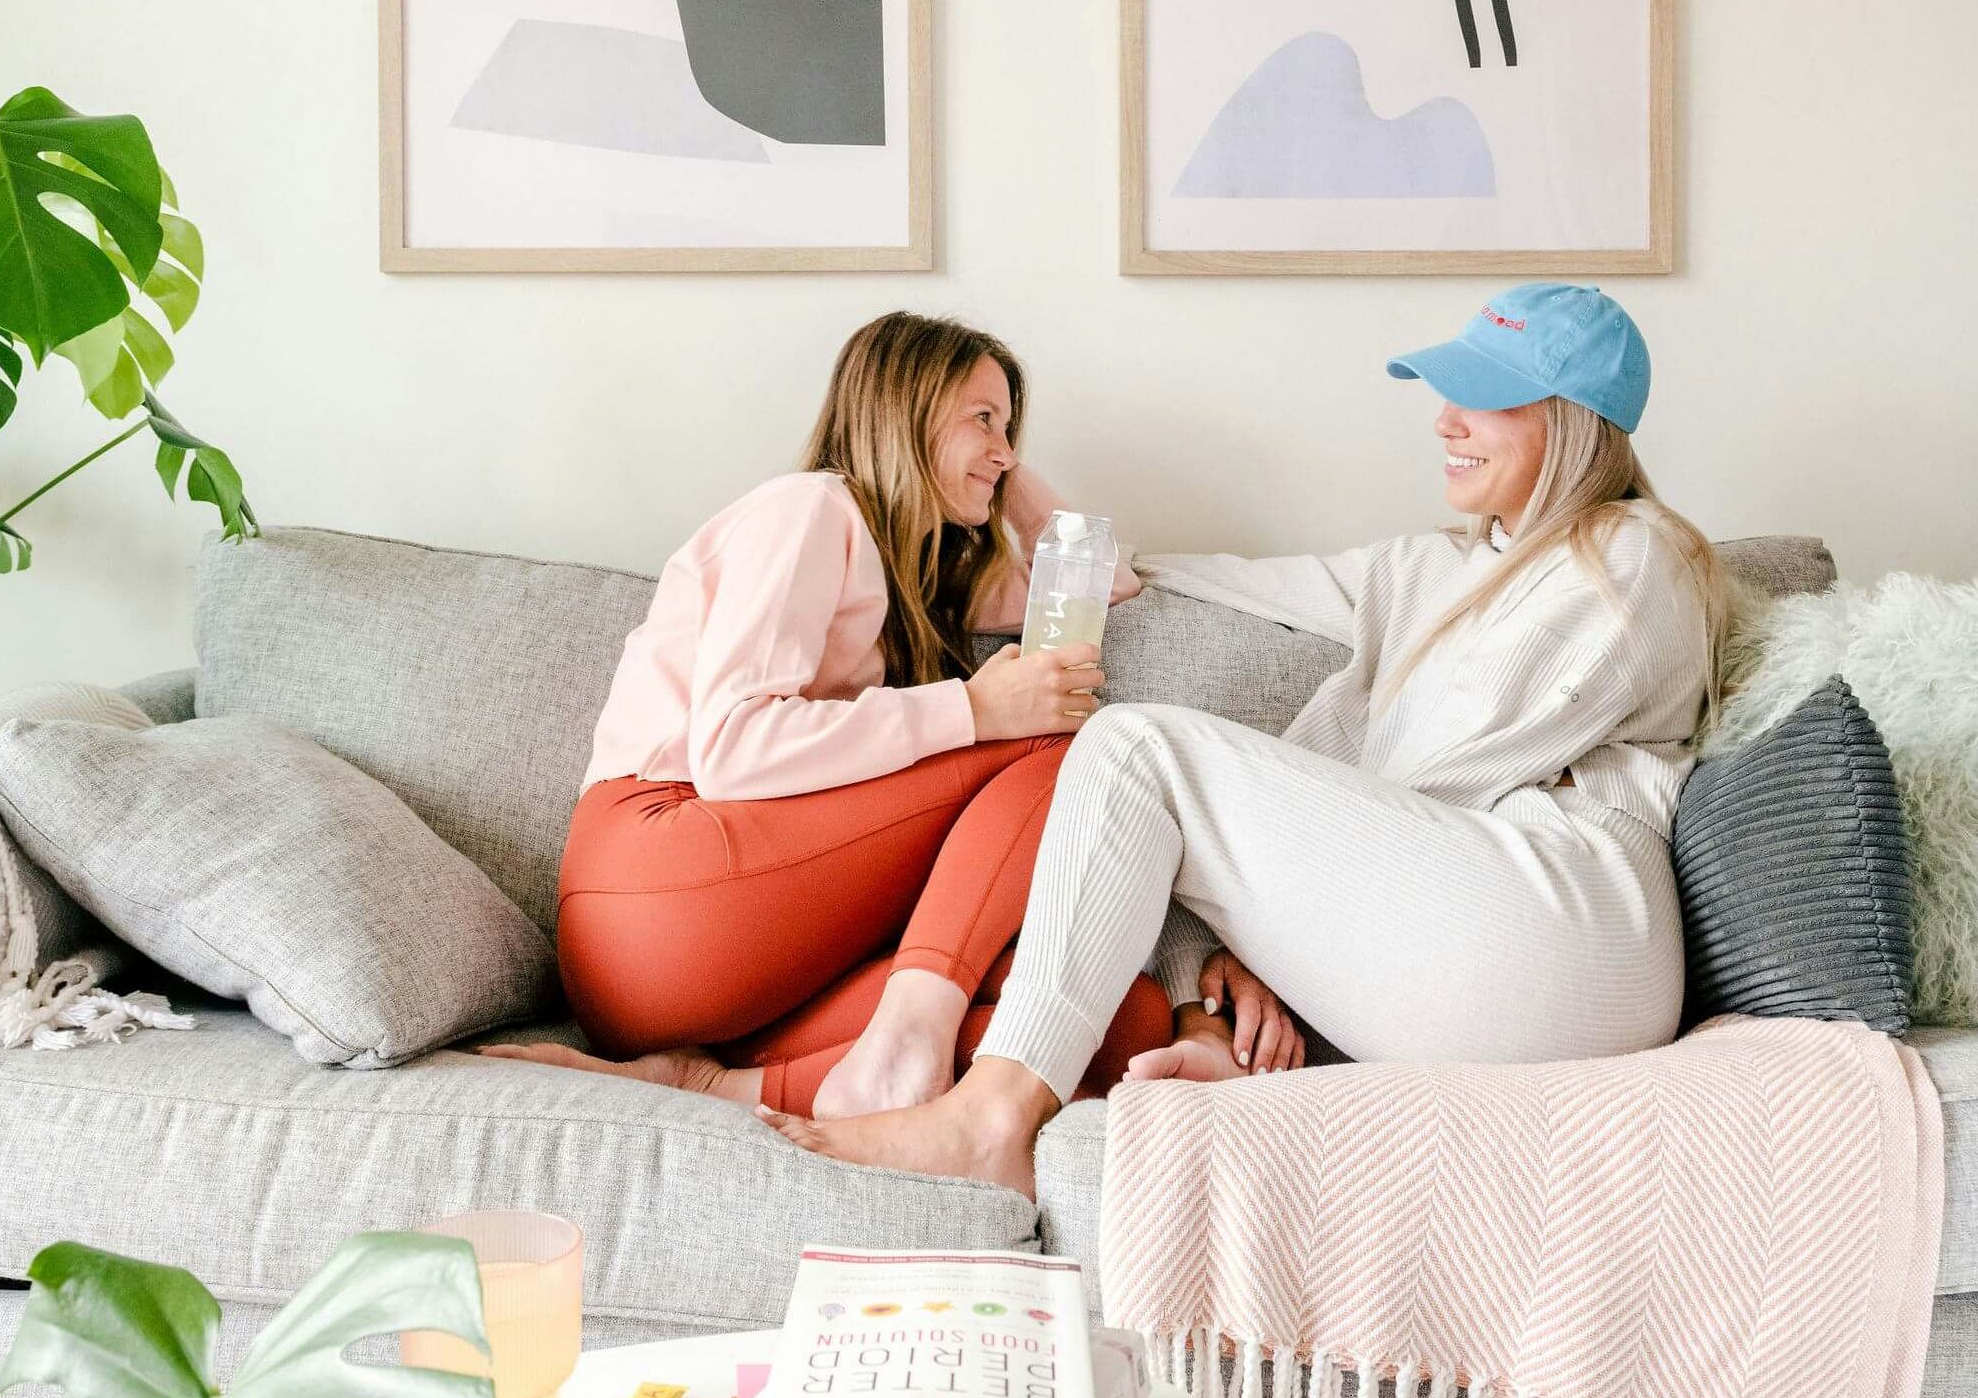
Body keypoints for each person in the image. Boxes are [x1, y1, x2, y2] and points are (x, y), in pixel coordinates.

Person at [760, 283, 1733, 1195]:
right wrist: (1019, 488)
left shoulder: (1632, 551)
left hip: (1571, 931)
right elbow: (1157, 577)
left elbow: (1457, 759)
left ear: (1568, 419)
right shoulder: (1424, 570)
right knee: (1142, 782)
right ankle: (1237, 1061)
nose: (1444, 420)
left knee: (1134, 750)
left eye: (1480, 396)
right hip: (1461, 951)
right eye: (1446, 394)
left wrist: (1268, 918)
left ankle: (991, 1118)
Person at [481, 311, 1224, 1119]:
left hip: (740, 958)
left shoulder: (916, 571)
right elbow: (732, 747)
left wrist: (994, 458)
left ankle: (713, 1084)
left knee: (1126, 1025)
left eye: (1010, 429)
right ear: (902, 411)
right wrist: (973, 708)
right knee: (1065, 737)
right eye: (981, 418)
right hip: (660, 872)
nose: (1006, 451)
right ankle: (909, 1036)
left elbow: (1103, 579)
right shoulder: (809, 508)